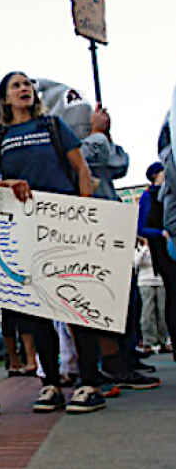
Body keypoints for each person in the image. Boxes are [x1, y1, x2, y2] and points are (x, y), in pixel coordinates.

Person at [0, 71, 105, 414]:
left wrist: (85, 213)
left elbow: (81, 169)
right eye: (16, 86)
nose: (24, 90)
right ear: (5, 99)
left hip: (64, 224)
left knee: (76, 305)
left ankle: (89, 384)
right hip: (23, 228)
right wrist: (9, 185)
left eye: (27, 85)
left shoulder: (52, 126)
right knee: (36, 311)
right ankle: (50, 382)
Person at [80, 108, 160, 390]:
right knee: (106, 297)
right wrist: (97, 134)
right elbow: (88, 158)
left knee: (125, 296)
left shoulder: (98, 144)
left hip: (110, 221)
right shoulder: (82, 145)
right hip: (92, 224)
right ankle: (113, 362)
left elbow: (119, 164)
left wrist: (104, 136)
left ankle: (125, 354)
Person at [138, 160, 176, 359]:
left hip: (169, 245)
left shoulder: (171, 193)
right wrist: (161, 233)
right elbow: (141, 227)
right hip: (163, 249)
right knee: (172, 293)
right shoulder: (148, 196)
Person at [135, 237, 167, 352]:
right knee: (148, 311)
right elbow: (135, 263)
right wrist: (144, 249)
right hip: (145, 280)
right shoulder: (139, 247)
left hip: (160, 280)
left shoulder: (158, 245)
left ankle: (163, 339)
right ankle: (149, 340)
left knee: (162, 311)